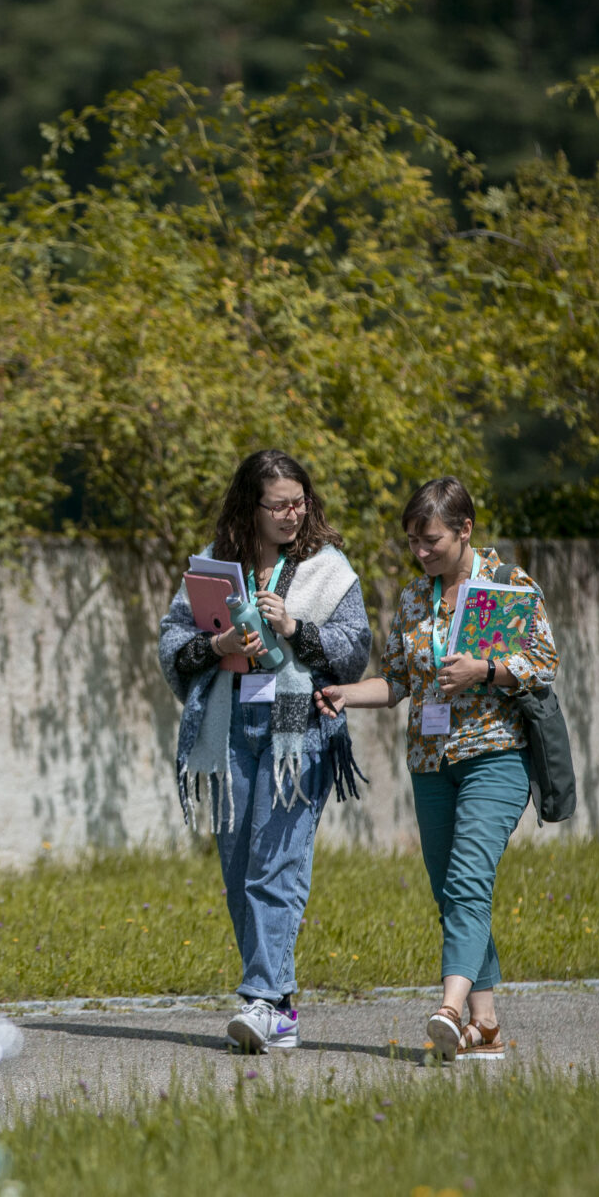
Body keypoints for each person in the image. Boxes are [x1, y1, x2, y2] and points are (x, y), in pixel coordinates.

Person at [319, 477, 557, 1061]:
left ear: (465, 530)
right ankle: (487, 1023)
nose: (420, 552)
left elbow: (543, 665)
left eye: (431, 540)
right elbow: (399, 681)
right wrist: (347, 693)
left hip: (495, 756)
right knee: (449, 891)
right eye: (413, 542)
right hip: (431, 763)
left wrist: (485, 670)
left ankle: (448, 1009)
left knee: (469, 880)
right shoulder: (412, 598)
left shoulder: (506, 586)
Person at [157, 450, 373, 1054]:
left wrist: (295, 629)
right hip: (227, 726)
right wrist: (218, 641)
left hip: (294, 725)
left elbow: (355, 650)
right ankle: (277, 1008)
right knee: (237, 870)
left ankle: (262, 998)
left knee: (275, 863)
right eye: (278, 504)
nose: (291, 513)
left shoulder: (328, 568)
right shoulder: (215, 568)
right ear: (249, 507)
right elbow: (173, 644)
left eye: (299, 501)